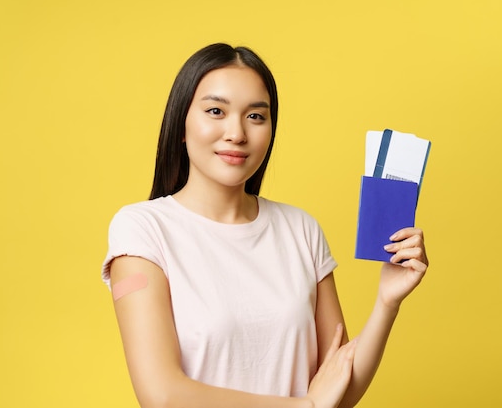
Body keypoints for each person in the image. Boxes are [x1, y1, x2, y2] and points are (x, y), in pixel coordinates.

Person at [102, 43, 428, 408]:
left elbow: (338, 387)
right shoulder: (142, 230)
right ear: (181, 124)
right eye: (215, 111)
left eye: (255, 117)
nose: (237, 133)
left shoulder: (300, 229)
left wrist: (387, 302)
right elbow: (162, 395)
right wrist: (304, 407)